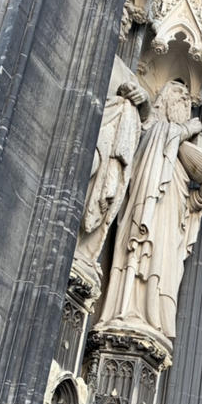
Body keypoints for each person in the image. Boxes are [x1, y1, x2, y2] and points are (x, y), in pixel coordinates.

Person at [95, 80, 202, 348]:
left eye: (188, 99)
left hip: (170, 226)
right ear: (165, 99)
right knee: (142, 256)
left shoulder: (182, 154)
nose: (185, 101)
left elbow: (188, 211)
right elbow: (148, 125)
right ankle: (125, 311)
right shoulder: (157, 130)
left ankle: (153, 320)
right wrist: (184, 129)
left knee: (166, 265)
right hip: (147, 213)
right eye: (179, 94)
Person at [73, 58, 149, 289]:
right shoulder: (96, 52)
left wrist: (143, 100)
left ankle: (81, 250)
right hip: (90, 137)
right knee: (89, 169)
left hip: (112, 147)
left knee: (104, 189)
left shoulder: (128, 73)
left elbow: (147, 121)